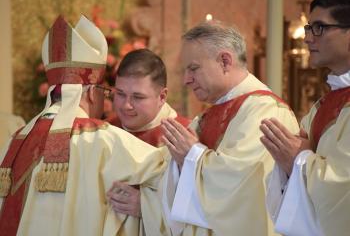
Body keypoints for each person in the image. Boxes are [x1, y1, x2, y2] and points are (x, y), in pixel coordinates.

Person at [0, 15, 166, 236]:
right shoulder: (101, 139)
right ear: (89, 92)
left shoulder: (15, 141)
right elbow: (177, 178)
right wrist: (148, 204)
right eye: (103, 92)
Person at [159, 21, 299, 236]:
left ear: (225, 61)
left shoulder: (265, 111)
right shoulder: (205, 117)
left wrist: (191, 155)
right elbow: (167, 169)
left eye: (193, 68)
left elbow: (241, 184)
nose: (187, 80)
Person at [260, 0, 350, 235]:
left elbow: (344, 188)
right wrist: (289, 161)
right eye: (309, 28)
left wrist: (299, 160)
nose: (307, 37)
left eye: (319, 28)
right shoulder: (325, 104)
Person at [107, 48, 190, 235]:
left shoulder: (184, 138)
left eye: (138, 97)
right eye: (120, 94)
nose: (126, 105)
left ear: (162, 97)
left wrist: (147, 206)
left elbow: (200, 207)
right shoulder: (105, 131)